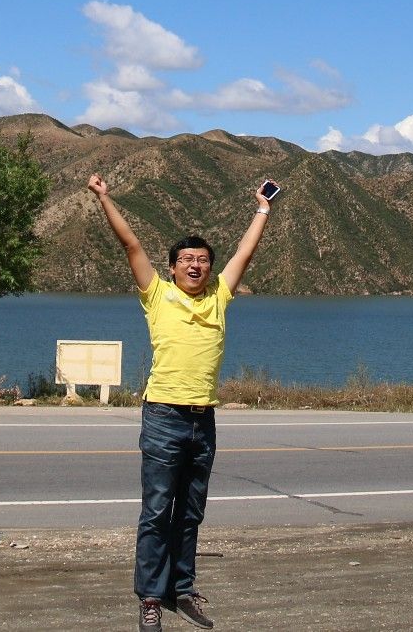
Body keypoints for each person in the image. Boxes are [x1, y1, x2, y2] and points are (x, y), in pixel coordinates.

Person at [87, 172, 274, 631]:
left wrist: (262, 210)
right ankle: (151, 597)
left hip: (202, 419)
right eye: (186, 260)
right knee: (156, 511)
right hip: (163, 417)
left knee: (190, 511)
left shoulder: (219, 297)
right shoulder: (158, 295)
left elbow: (244, 254)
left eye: (203, 260)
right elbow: (131, 245)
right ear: (172, 268)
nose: (196, 266)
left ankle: (181, 589)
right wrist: (104, 199)